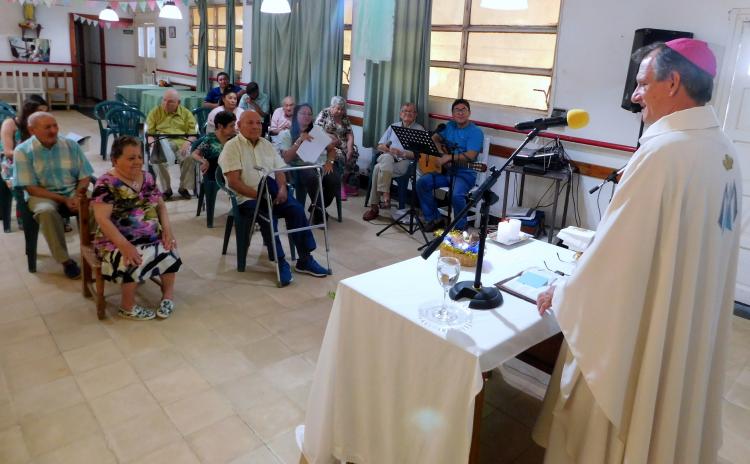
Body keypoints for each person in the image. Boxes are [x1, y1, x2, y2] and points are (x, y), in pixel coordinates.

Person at [533, 39, 741, 464]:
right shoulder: (725, 151)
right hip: (688, 316)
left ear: (674, 81)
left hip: (646, 321)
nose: (634, 95)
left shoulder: (665, 153)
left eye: (643, 83)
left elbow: (615, 259)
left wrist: (566, 289)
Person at [218, 111, 330, 286]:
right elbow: (233, 182)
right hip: (248, 199)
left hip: (272, 193)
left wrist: (283, 188)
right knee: (267, 217)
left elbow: (279, 170)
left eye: (258, 123)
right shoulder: (232, 147)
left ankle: (305, 259)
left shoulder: (266, 144)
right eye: (250, 123)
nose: (255, 126)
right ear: (239, 125)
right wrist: (261, 196)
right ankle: (281, 262)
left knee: (297, 209)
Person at [92, 136, 181, 321]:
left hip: (149, 235)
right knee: (131, 258)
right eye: (131, 158)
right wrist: (124, 245)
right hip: (115, 239)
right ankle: (127, 307)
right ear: (115, 159)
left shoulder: (147, 177)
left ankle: (168, 297)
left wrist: (167, 231)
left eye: (139, 157)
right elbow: (102, 219)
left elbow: (161, 206)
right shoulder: (106, 183)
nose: (138, 161)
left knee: (169, 248)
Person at [13, 112, 94, 279]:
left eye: (55, 125)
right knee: (46, 212)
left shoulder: (70, 145)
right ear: (32, 130)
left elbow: (85, 175)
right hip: (42, 194)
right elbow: (31, 188)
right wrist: (64, 200)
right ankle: (65, 261)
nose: (53, 130)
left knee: (96, 205)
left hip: (72, 190)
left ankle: (93, 250)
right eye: (47, 127)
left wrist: (78, 195)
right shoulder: (23, 151)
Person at [416, 99, 483, 231]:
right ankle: (434, 219)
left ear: (469, 112)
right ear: (452, 113)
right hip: (446, 172)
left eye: (463, 109)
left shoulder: (475, 131)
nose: (460, 113)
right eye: (457, 110)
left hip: (465, 173)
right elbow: (434, 138)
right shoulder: (449, 126)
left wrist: (449, 157)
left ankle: (460, 227)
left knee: (456, 195)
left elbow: (471, 155)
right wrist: (441, 154)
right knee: (422, 183)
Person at [275, 103, 339, 225]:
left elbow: (331, 149)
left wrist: (330, 162)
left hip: (320, 164)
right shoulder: (286, 134)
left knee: (334, 179)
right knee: (311, 177)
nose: (307, 116)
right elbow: (287, 158)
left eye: (309, 114)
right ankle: (319, 212)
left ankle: (316, 208)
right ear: (295, 116)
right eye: (303, 113)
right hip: (300, 166)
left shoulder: (317, 131)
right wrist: (299, 141)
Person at [363, 102, 424, 221]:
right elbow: (379, 146)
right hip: (388, 157)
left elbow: (418, 155)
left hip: (404, 162)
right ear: (401, 114)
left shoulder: (419, 129)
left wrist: (402, 153)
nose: (408, 113)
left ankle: (375, 207)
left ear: (415, 114)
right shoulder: (393, 126)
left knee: (377, 168)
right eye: (405, 111)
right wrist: (388, 149)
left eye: (411, 111)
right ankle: (385, 195)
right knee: (387, 157)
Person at [145, 89, 197, 200]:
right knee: (158, 160)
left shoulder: (186, 113)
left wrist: (188, 142)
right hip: (162, 142)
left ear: (178, 102)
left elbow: (193, 133)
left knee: (189, 158)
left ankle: (183, 188)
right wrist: (152, 144)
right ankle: (166, 190)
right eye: (164, 100)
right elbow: (149, 133)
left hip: (181, 142)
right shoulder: (155, 112)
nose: (166, 103)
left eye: (170, 101)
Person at [315, 96, 358, 199]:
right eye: (338, 108)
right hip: (328, 144)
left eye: (342, 109)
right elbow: (317, 130)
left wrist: (350, 149)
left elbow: (350, 134)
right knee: (339, 156)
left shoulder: (344, 117)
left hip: (343, 143)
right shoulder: (324, 113)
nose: (340, 111)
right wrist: (331, 138)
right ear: (332, 107)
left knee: (353, 154)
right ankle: (339, 185)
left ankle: (343, 182)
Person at [1, 95, 48, 185]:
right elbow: (8, 153)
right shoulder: (10, 123)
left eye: (45, 112)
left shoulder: (39, 124)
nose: (43, 115)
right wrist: (33, 156)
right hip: (14, 162)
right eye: (40, 111)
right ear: (28, 112)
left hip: (35, 160)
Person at [191, 110, 236, 183]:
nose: (234, 129)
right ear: (220, 126)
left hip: (233, 173)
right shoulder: (210, 139)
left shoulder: (235, 139)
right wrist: (204, 161)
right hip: (214, 177)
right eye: (231, 126)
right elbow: (194, 154)